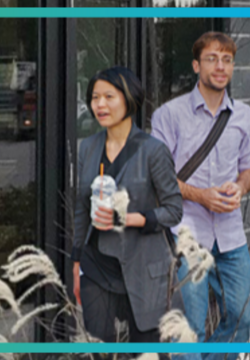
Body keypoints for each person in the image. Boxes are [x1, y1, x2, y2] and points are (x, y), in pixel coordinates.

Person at [151, 31, 250, 360]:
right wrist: (201, 196)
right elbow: (158, 176)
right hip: (188, 234)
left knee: (246, 315)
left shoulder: (244, 116)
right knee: (191, 328)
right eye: (212, 58)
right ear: (196, 65)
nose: (220, 66)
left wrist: (241, 187)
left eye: (227, 60)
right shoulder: (169, 115)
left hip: (230, 233)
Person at [71, 66, 184, 351]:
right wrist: (76, 264)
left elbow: (174, 210)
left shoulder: (153, 150)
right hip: (97, 267)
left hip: (144, 269)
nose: (100, 104)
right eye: (95, 97)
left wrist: (129, 218)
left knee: (146, 354)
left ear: (130, 99)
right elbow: (82, 210)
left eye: (109, 96)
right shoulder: (88, 147)